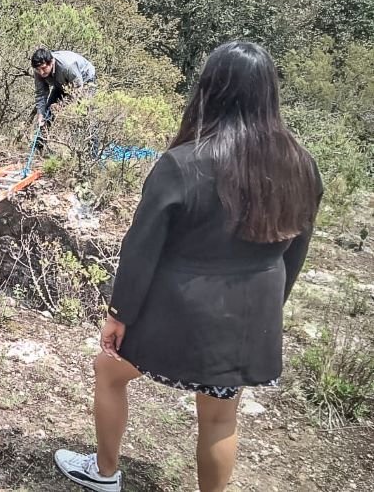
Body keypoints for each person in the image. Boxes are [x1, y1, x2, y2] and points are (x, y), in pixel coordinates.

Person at [54, 41, 322, 492]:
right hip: (249, 317)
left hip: (177, 315)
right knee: (220, 418)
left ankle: (103, 472)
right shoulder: (302, 165)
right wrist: (271, 306)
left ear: (208, 91)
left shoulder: (183, 163)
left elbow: (140, 248)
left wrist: (119, 314)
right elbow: (295, 251)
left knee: (109, 371)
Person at [31, 48, 96, 128]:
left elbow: (78, 89)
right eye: (38, 69)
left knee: (84, 113)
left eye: (44, 68)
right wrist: (40, 114)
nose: (41, 72)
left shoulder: (68, 66)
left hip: (84, 79)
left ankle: (92, 139)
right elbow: (41, 94)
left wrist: (62, 105)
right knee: (48, 112)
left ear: (51, 62)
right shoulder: (38, 70)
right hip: (61, 83)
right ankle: (43, 137)